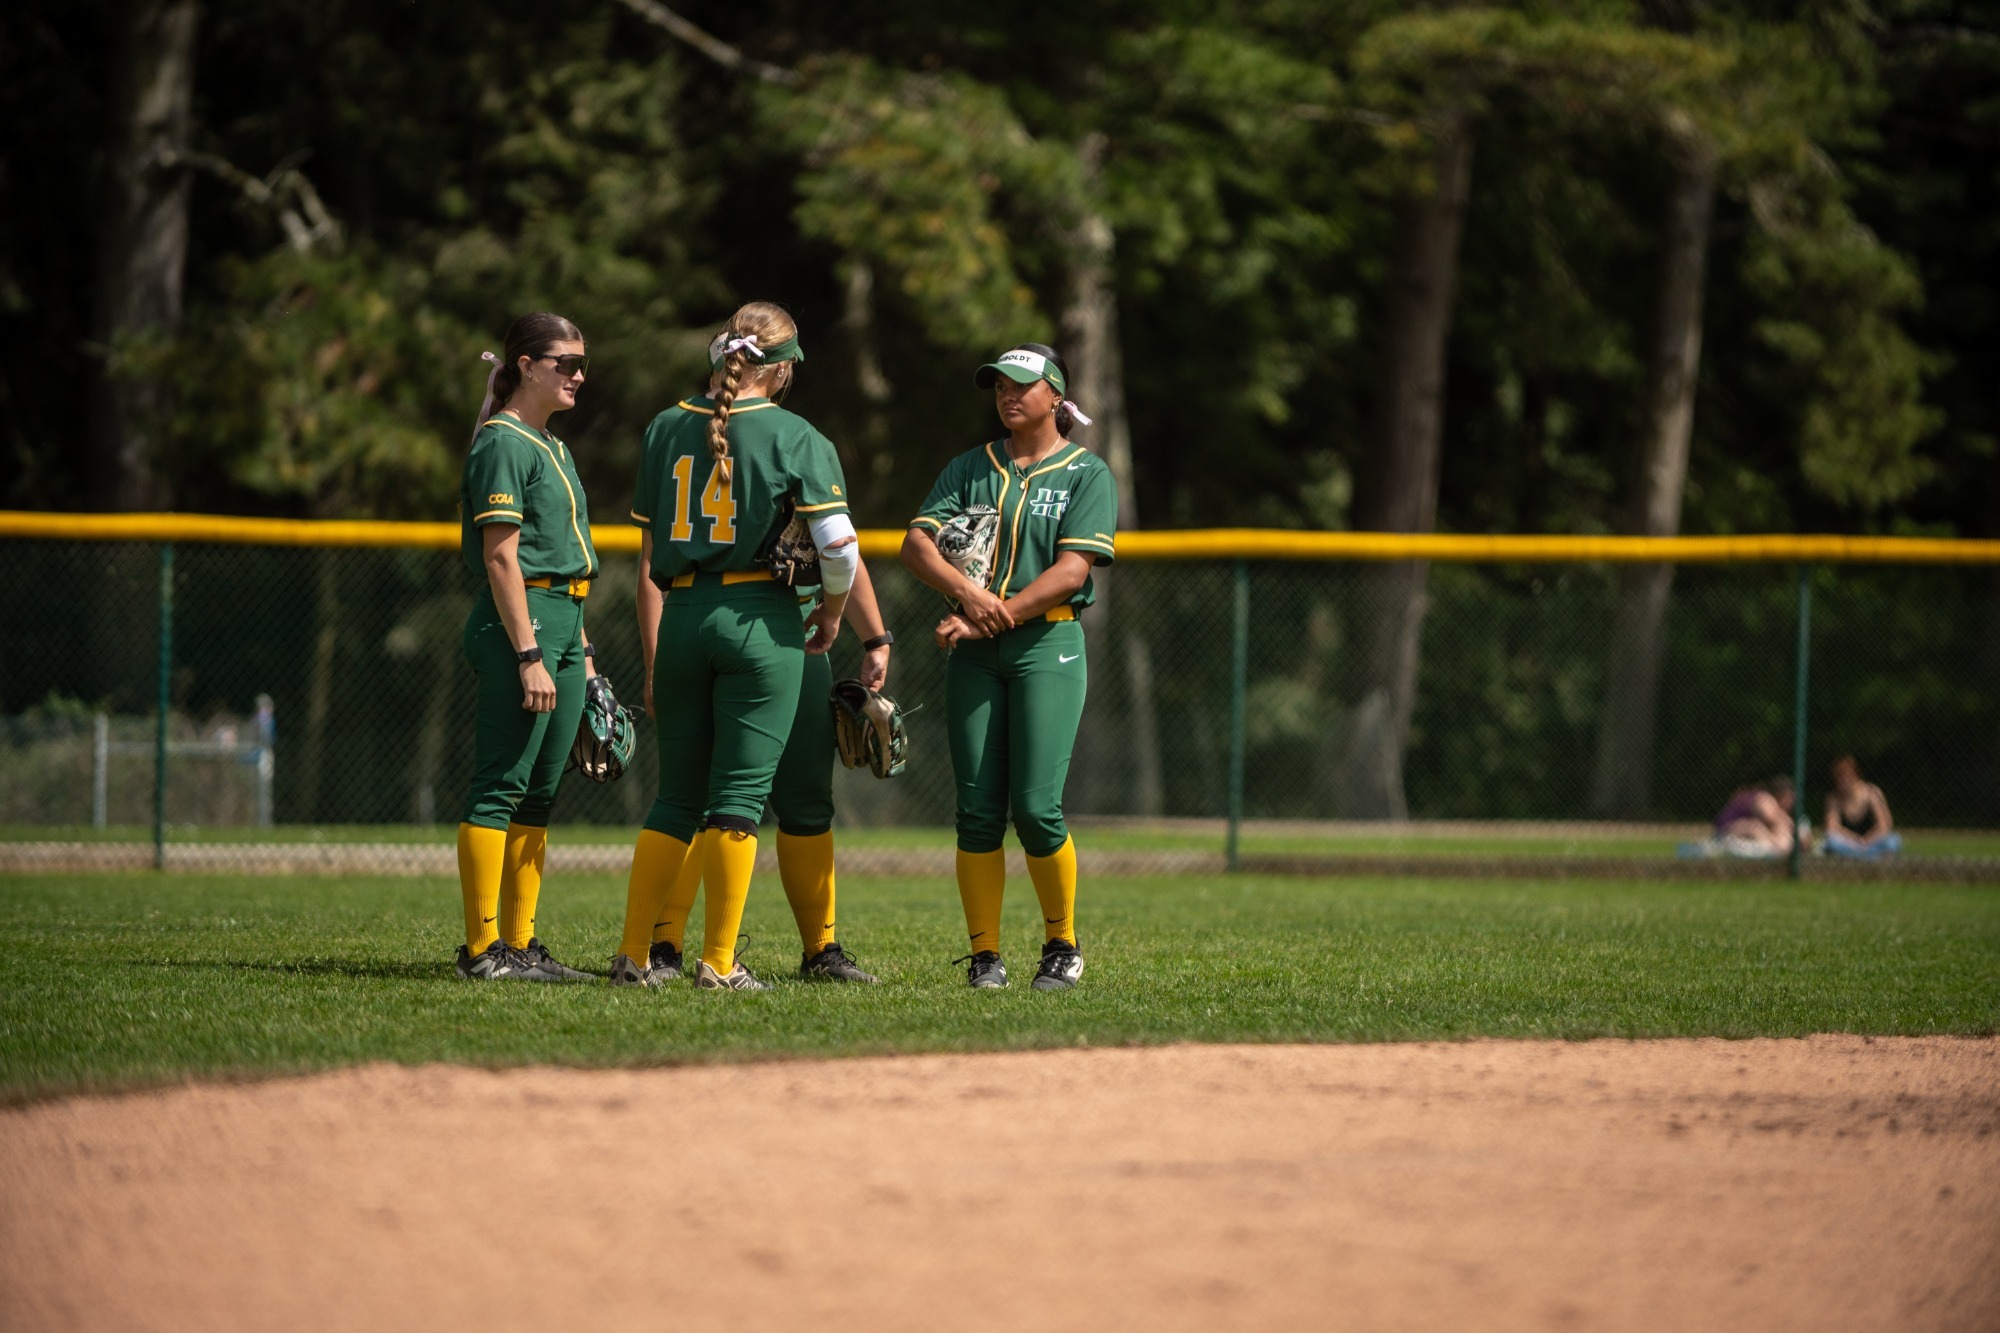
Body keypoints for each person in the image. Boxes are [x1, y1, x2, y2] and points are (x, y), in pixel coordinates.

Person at [611, 301, 858, 989]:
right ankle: (718, 962)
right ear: (779, 368)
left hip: (683, 613)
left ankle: (633, 954)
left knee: (675, 799)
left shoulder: (665, 426)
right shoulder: (794, 433)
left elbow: (649, 553)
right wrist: (833, 613)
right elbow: (840, 547)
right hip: (760, 617)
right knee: (739, 799)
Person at [640, 424, 895, 984]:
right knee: (702, 796)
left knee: (804, 796)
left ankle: (820, 950)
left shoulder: (779, 440)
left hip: (787, 638)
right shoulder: (771, 438)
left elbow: (841, 545)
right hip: (767, 632)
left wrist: (875, 637)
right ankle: (667, 943)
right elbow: (653, 566)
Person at [900, 343, 1116, 990]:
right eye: (999, 386)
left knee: (1037, 807)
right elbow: (916, 544)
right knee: (976, 810)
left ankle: (1062, 944)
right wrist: (968, 597)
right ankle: (985, 955)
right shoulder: (971, 466)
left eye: (1022, 384)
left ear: (1057, 396)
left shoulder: (1086, 473)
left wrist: (989, 615)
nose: (1008, 395)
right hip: (976, 653)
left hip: (1048, 645)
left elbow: (1071, 571)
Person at [452, 312, 600, 981]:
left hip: (564, 620)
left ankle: (521, 944)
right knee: (499, 787)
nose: (578, 375)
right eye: (565, 363)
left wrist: (583, 656)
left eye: (582, 364)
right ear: (525, 366)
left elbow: (567, 564)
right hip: (524, 624)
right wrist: (528, 655)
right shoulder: (503, 442)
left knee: (539, 792)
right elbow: (501, 558)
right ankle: (482, 952)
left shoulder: (552, 446)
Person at [1824, 755, 1902, 858]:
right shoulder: (1833, 799)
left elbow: (1884, 825)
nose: (1842, 781)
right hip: (1849, 844)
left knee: (1892, 841)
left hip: (1872, 842)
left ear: (1855, 774)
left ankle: (1860, 857)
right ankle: (1868, 858)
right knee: (1831, 843)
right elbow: (1832, 828)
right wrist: (1855, 840)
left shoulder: (1872, 793)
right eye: (1838, 777)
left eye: (1846, 776)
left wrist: (1866, 841)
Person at [1711, 776, 1806, 858]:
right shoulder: (1764, 799)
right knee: (1757, 829)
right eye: (1790, 799)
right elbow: (1774, 819)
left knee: (1766, 830)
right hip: (1725, 832)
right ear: (1783, 796)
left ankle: (1783, 848)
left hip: (1726, 833)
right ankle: (1781, 849)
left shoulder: (1759, 798)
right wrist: (1793, 830)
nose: (1791, 804)